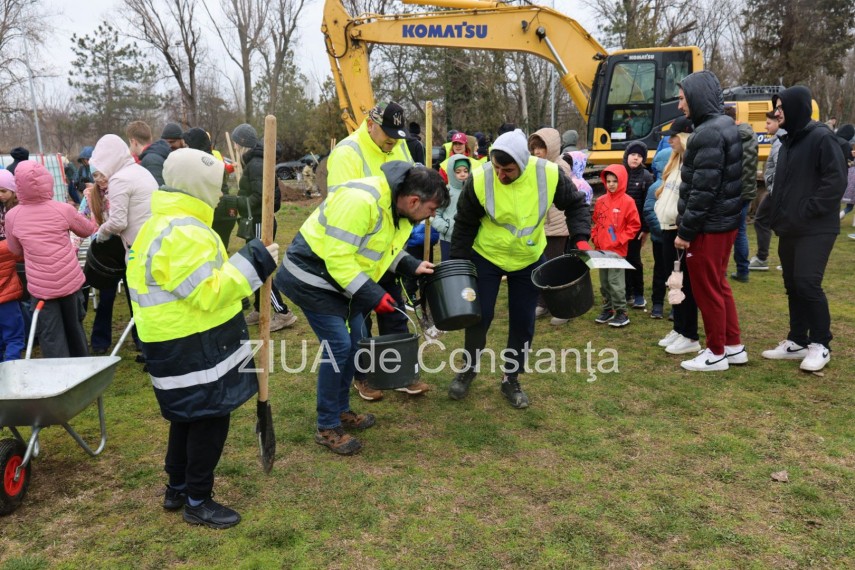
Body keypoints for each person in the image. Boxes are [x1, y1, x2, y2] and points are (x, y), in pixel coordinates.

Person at [127, 148, 278, 529]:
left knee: (186, 416)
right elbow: (208, 291)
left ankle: (177, 487)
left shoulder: (161, 223)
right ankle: (198, 499)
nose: (221, 192)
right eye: (217, 185)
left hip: (172, 341)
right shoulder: (184, 232)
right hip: (192, 344)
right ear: (199, 187)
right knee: (210, 418)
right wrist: (255, 261)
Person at [274, 162, 449, 455]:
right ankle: (327, 426)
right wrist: (374, 296)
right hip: (311, 278)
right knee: (340, 348)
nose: (432, 216)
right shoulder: (361, 202)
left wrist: (412, 264)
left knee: (355, 345)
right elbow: (338, 259)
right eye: (432, 209)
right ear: (414, 200)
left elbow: (383, 250)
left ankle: (341, 411)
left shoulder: (401, 212)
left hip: (342, 284)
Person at [448, 129, 591, 408]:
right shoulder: (480, 177)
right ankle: (468, 369)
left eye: (508, 170)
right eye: (497, 167)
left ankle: (510, 377)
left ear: (523, 163)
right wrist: (458, 265)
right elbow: (464, 224)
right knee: (479, 316)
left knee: (523, 321)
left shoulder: (548, 174)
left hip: (527, 257)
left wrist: (581, 239)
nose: (501, 175)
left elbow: (576, 205)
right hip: (487, 255)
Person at [326, 101, 427, 400]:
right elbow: (341, 206)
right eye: (387, 135)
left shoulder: (398, 146)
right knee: (358, 320)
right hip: (356, 252)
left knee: (394, 308)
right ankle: (364, 375)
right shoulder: (347, 153)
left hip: (386, 247)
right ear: (370, 124)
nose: (392, 142)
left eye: (397, 136)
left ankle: (401, 371)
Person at [761, 86, 847, 372]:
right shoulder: (788, 142)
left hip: (816, 227)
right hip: (790, 227)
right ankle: (797, 340)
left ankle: (820, 344)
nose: (777, 112)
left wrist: (808, 210)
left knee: (808, 283)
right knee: (793, 285)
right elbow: (783, 186)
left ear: (797, 107)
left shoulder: (822, 137)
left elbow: (835, 181)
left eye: (781, 107)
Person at [673, 70, 744, 372]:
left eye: (682, 99)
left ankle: (716, 352)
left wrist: (685, 231)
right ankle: (732, 345)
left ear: (697, 97)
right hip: (723, 224)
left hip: (708, 228)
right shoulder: (724, 126)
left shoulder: (708, 134)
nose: (680, 106)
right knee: (719, 284)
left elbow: (703, 190)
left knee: (707, 289)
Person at [5, 161, 98, 358]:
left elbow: (14, 250)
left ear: (18, 186)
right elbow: (87, 230)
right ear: (48, 181)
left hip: (41, 287)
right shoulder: (63, 209)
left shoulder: (13, 216)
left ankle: (57, 376)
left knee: (50, 334)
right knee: (74, 327)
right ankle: (82, 370)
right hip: (69, 281)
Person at [231, 123, 298, 332]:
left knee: (260, 267)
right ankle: (261, 310)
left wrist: (238, 202)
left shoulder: (257, 164)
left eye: (235, 143)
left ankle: (282, 312)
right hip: (257, 220)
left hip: (262, 221)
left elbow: (263, 197)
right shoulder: (255, 162)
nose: (234, 148)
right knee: (256, 264)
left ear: (242, 143)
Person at [653, 117, 702, 355]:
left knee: (684, 284)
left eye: (674, 136)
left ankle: (689, 334)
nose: (670, 140)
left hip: (678, 230)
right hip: (666, 228)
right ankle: (679, 327)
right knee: (672, 281)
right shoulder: (676, 161)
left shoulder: (691, 163)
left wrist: (684, 229)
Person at [528, 128, 574, 326]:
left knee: (555, 266)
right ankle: (543, 302)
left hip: (557, 226)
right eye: (535, 148)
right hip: (540, 226)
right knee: (542, 265)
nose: (537, 152)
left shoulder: (559, 167)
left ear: (551, 147)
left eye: (541, 147)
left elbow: (563, 198)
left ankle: (564, 308)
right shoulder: (536, 166)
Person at [592, 164, 641, 327]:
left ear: (622, 181)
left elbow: (634, 225)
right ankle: (608, 309)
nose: (611, 184)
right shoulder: (600, 201)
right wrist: (595, 236)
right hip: (601, 250)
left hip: (617, 250)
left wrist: (619, 239)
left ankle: (622, 312)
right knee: (604, 282)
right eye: (609, 181)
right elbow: (597, 221)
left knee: (615, 282)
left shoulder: (628, 202)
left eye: (615, 181)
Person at [723, 106, 758, 283]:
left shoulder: (730, 137)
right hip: (747, 190)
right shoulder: (750, 134)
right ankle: (743, 271)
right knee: (741, 231)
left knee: (724, 232)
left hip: (732, 191)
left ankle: (720, 271)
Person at [748, 111, 785, 271]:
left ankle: (765, 258)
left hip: (777, 192)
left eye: (768, 123)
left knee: (763, 220)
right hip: (775, 190)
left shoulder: (781, 142)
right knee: (765, 221)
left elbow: (781, 169)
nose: (765, 126)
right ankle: (766, 258)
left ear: (778, 122)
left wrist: (775, 190)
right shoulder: (778, 141)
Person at [642, 132, 673, 319]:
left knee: (675, 275)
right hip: (661, 238)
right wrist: (661, 229)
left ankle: (675, 306)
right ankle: (658, 304)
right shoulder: (656, 188)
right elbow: (648, 210)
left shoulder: (678, 185)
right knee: (661, 272)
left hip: (672, 238)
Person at [622, 142, 653, 309]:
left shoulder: (646, 177)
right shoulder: (619, 174)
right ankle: (626, 292)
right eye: (633, 154)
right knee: (621, 259)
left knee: (634, 259)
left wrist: (645, 228)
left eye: (640, 156)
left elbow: (648, 205)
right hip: (619, 226)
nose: (636, 157)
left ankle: (638, 293)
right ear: (627, 155)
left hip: (636, 227)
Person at [0, 170, 24, 362]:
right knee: (14, 333)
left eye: (3, 191)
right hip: (8, 287)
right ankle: (12, 365)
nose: (0, 195)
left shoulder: (17, 209)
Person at [433, 154, 471, 260]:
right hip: (448, 240)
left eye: (465, 171)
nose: (463, 174)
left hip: (469, 239)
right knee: (449, 268)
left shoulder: (473, 191)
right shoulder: (446, 192)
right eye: (458, 172)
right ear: (451, 172)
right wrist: (446, 228)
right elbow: (435, 213)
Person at [130, 121, 172, 185]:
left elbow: (157, 189)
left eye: (130, 143)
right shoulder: (155, 153)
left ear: (134, 142)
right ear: (150, 138)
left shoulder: (150, 160)